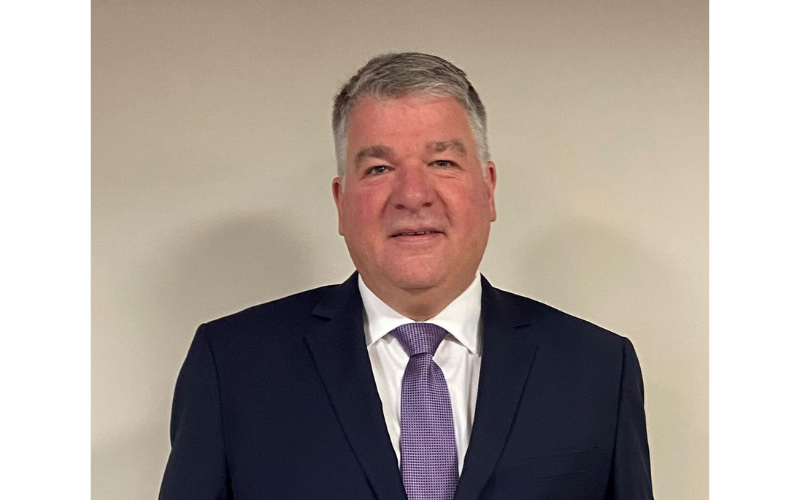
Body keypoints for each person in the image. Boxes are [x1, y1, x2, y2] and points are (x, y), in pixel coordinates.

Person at [159, 52, 654, 500]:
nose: (413, 195)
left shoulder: (598, 370)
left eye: (442, 162)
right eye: (379, 168)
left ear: (488, 189)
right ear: (341, 202)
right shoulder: (232, 367)